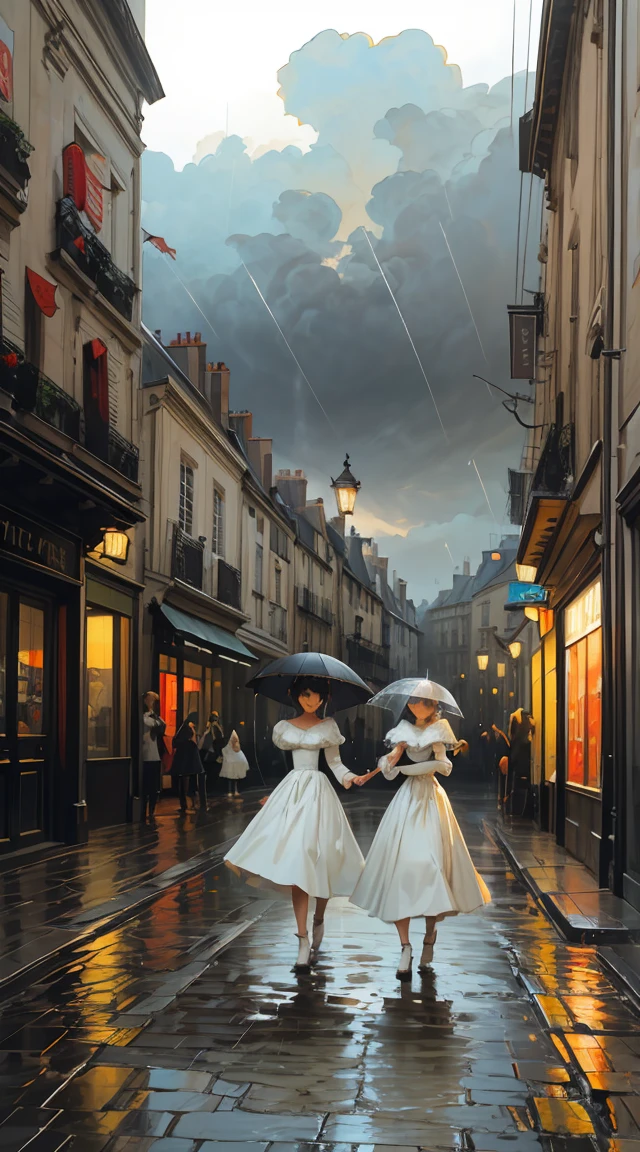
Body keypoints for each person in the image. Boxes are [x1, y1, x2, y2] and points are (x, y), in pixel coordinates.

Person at [350, 685, 491, 981]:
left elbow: (445, 766)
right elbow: (392, 762)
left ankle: (429, 936)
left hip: (430, 799)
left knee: (430, 867)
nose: (417, 706)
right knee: (399, 870)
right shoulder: (403, 728)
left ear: (433, 704)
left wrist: (415, 768)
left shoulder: (440, 728)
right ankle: (405, 947)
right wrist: (384, 765)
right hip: (406, 800)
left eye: (424, 702)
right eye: (413, 701)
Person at [224, 676, 364, 973]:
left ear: (324, 698)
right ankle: (302, 938)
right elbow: (290, 765)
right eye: (306, 695)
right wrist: (275, 797)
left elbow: (335, 764)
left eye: (317, 696)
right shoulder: (284, 728)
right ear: (295, 696)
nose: (312, 701)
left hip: (320, 794)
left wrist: (350, 777)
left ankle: (319, 918)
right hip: (294, 792)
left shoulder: (328, 727)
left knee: (323, 859)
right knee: (300, 863)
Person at [172, 711, 207, 812]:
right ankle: (197, 804)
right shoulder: (188, 728)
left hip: (186, 759)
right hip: (191, 758)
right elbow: (193, 742)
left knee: (185, 781)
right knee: (194, 782)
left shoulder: (183, 727)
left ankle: (186, 805)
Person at [141, 691, 166, 821]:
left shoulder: (154, 716)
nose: (152, 703)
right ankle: (145, 811)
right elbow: (149, 723)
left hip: (154, 755)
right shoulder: (145, 716)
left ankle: (151, 811)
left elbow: (162, 723)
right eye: (150, 700)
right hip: (146, 755)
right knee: (146, 785)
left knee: (153, 786)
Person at [198, 711, 225, 790]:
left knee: (210, 774)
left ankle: (209, 790)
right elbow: (218, 742)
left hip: (210, 754)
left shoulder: (210, 728)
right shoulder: (216, 728)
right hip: (213, 754)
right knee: (212, 774)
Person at [219, 729, 249, 799]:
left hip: (235, 766)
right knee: (230, 779)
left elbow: (241, 758)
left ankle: (235, 790)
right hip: (230, 765)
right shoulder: (227, 748)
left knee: (236, 779)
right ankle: (230, 791)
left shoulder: (238, 749)